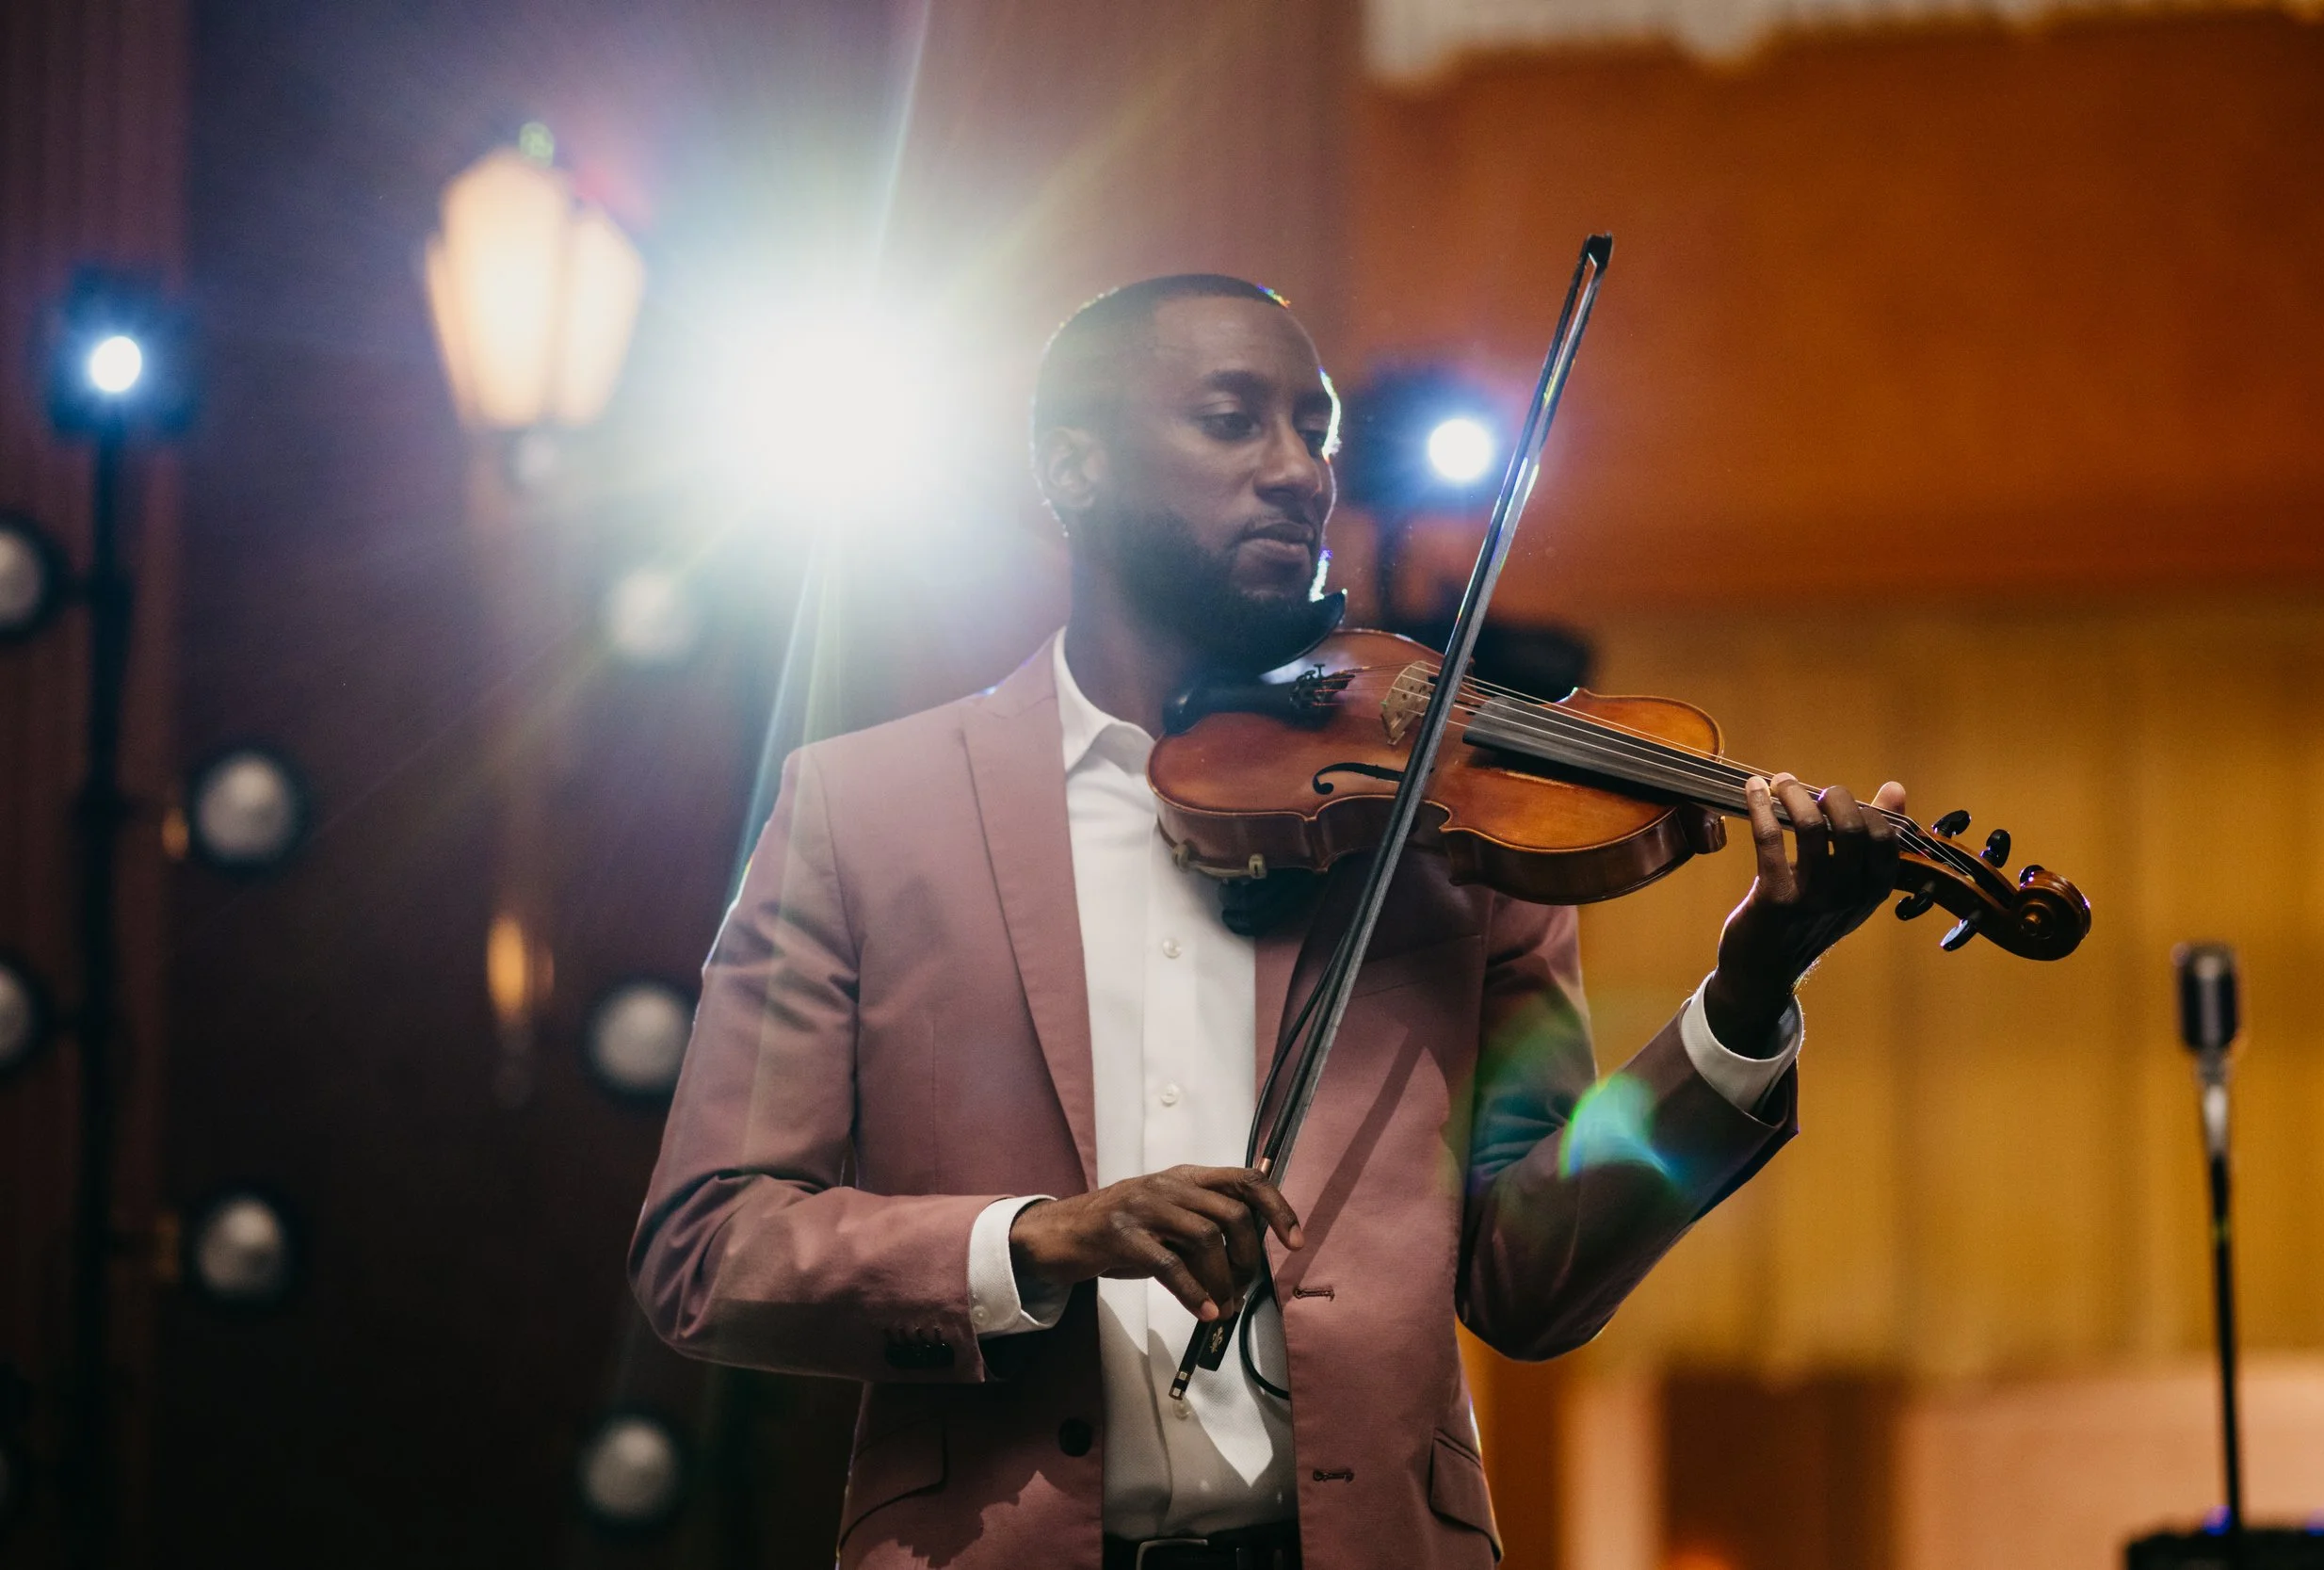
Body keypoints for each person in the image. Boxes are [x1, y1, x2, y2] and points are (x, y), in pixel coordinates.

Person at [629, 274, 1907, 1570]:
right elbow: (709, 1243)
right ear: (1074, 468)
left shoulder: (1445, 821)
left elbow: (1532, 1281)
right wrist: (1035, 1238)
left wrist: (1746, 999)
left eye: (1317, 430)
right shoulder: (863, 811)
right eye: (1233, 420)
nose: (1299, 471)